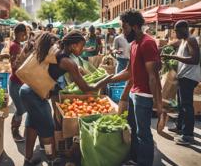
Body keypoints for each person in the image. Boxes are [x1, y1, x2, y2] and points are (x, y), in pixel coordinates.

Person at [19, 30, 111, 165]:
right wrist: (106, 80)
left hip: (27, 90)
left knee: (32, 124)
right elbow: (86, 88)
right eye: (81, 45)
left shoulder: (57, 51)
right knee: (48, 129)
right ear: (73, 45)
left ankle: (28, 159)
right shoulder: (68, 62)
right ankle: (52, 160)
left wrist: (77, 71)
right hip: (35, 95)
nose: (83, 49)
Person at [105, 10, 162, 166]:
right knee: (134, 129)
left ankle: (144, 163)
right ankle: (136, 160)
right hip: (134, 93)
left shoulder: (147, 43)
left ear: (135, 26)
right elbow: (129, 72)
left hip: (144, 96)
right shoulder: (134, 44)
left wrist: (158, 103)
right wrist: (106, 80)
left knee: (143, 134)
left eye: (124, 27)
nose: (122, 32)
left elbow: (153, 76)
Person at [162, 20, 201, 145]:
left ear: (184, 29)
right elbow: (172, 44)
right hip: (183, 76)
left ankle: (188, 136)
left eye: (177, 30)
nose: (175, 33)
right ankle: (180, 128)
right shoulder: (184, 40)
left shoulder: (191, 40)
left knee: (187, 106)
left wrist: (173, 57)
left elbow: (195, 59)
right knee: (180, 105)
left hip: (189, 78)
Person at [9, 24, 27, 142]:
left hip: (19, 82)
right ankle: (15, 132)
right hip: (15, 83)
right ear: (20, 33)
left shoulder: (18, 45)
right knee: (20, 109)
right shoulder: (15, 46)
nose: (25, 35)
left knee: (22, 108)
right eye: (24, 33)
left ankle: (15, 129)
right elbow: (14, 65)